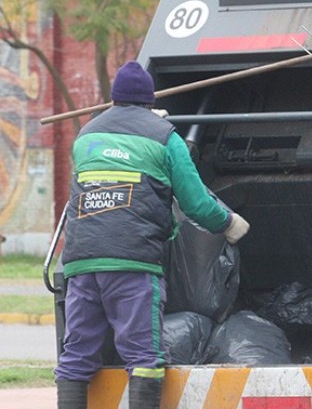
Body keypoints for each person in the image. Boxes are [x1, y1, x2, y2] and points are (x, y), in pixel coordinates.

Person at [53, 61, 251, 409]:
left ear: (113, 99)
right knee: (144, 359)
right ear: (149, 101)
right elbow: (196, 204)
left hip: (81, 264)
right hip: (132, 264)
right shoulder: (164, 138)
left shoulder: (86, 136)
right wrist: (229, 223)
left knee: (76, 356)